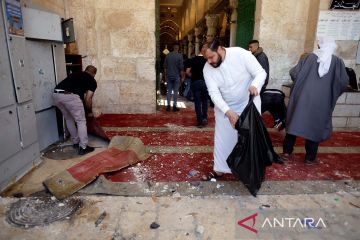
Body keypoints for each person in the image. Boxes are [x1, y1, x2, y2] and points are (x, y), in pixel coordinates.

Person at [202, 39, 267, 180]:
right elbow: (214, 93)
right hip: (225, 106)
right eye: (206, 58)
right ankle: (220, 169)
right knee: (223, 138)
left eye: (211, 57)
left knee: (250, 138)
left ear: (220, 48)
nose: (209, 61)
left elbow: (261, 73)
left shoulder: (240, 54)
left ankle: (250, 170)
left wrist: (255, 85)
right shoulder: (207, 68)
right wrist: (228, 111)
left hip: (247, 102)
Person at [282, 38, 349, 165]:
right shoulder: (337, 62)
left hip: (302, 98)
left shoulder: (309, 57)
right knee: (315, 127)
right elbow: (343, 82)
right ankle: (310, 158)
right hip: (321, 102)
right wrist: (330, 92)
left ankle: (286, 152)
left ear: (320, 45)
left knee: (294, 123)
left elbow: (294, 73)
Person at [53, 65, 97, 155]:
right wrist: (89, 112)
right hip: (70, 96)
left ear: (85, 70)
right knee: (81, 121)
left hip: (56, 95)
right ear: (94, 73)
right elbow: (88, 99)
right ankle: (83, 147)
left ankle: (76, 142)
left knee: (69, 119)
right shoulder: (92, 80)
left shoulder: (76, 74)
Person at [248, 39, 286, 130]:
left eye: (251, 47)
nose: (249, 49)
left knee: (259, 104)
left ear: (256, 46)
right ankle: (277, 119)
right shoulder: (256, 55)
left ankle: (254, 121)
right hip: (257, 85)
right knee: (268, 104)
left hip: (259, 86)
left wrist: (260, 85)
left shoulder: (261, 57)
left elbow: (264, 73)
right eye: (249, 47)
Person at [186, 43, 209, 128]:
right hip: (206, 83)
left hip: (196, 82)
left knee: (198, 102)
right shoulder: (208, 60)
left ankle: (199, 121)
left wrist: (194, 76)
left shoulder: (193, 59)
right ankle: (205, 117)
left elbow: (188, 72)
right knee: (205, 101)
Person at [163, 44, 185, 112]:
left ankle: (168, 106)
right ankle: (174, 106)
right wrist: (182, 77)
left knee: (169, 91)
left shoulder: (168, 55)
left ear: (173, 48)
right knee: (176, 91)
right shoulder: (180, 56)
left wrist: (165, 76)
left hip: (169, 75)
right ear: (178, 48)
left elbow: (165, 67)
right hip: (176, 76)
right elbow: (181, 68)